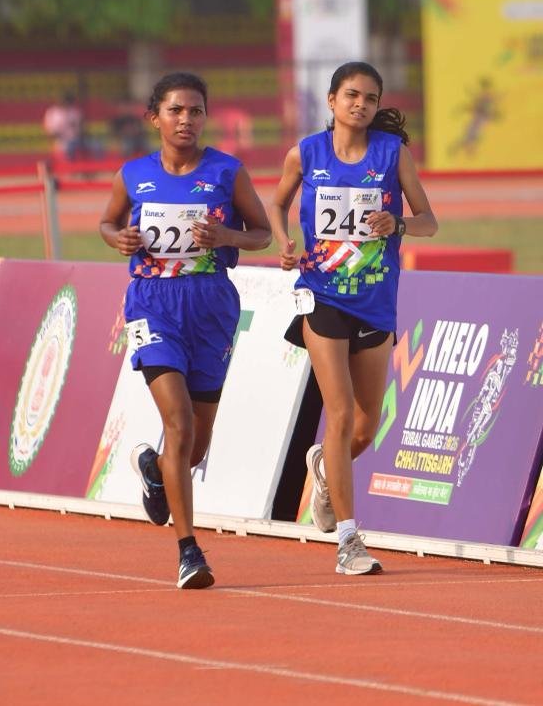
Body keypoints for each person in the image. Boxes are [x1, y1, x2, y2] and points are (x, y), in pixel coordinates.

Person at [99, 72, 271, 589]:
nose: (186, 120)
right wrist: (119, 239)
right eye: (175, 110)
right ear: (155, 117)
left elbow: (262, 233)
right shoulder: (133, 174)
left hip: (211, 307)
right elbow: (107, 223)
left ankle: (155, 469)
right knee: (177, 424)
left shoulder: (227, 171)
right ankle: (189, 551)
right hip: (152, 305)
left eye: (196, 111)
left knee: (193, 443)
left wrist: (226, 235)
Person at [268, 61, 438, 575]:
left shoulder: (392, 153)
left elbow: (429, 221)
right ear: (332, 100)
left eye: (370, 98)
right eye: (351, 95)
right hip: (321, 294)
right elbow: (276, 204)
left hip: (375, 300)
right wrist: (285, 243)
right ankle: (348, 542)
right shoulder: (305, 153)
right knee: (339, 415)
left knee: (366, 426)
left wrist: (397, 223)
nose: (360, 104)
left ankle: (323, 467)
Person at [43, 91, 82, 164]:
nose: (66, 104)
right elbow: (49, 131)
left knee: (95, 146)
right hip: (59, 141)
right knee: (65, 147)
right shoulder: (52, 112)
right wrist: (57, 135)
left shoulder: (75, 112)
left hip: (75, 140)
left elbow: (78, 129)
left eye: (68, 102)